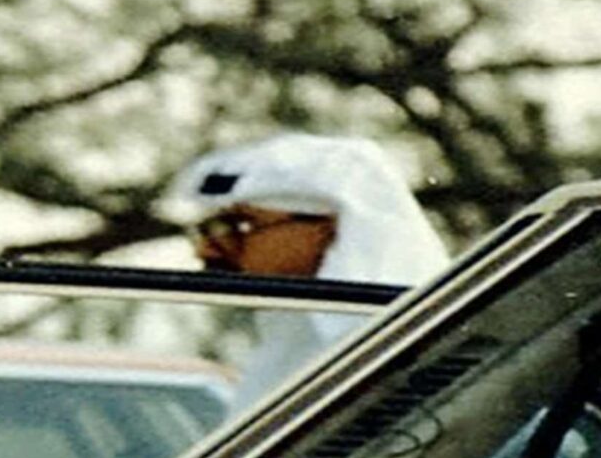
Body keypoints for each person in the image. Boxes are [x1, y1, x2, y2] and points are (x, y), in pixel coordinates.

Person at [164, 131, 449, 411]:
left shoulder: (402, 351)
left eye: (239, 226)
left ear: (329, 227)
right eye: (208, 231)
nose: (206, 251)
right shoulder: (288, 347)